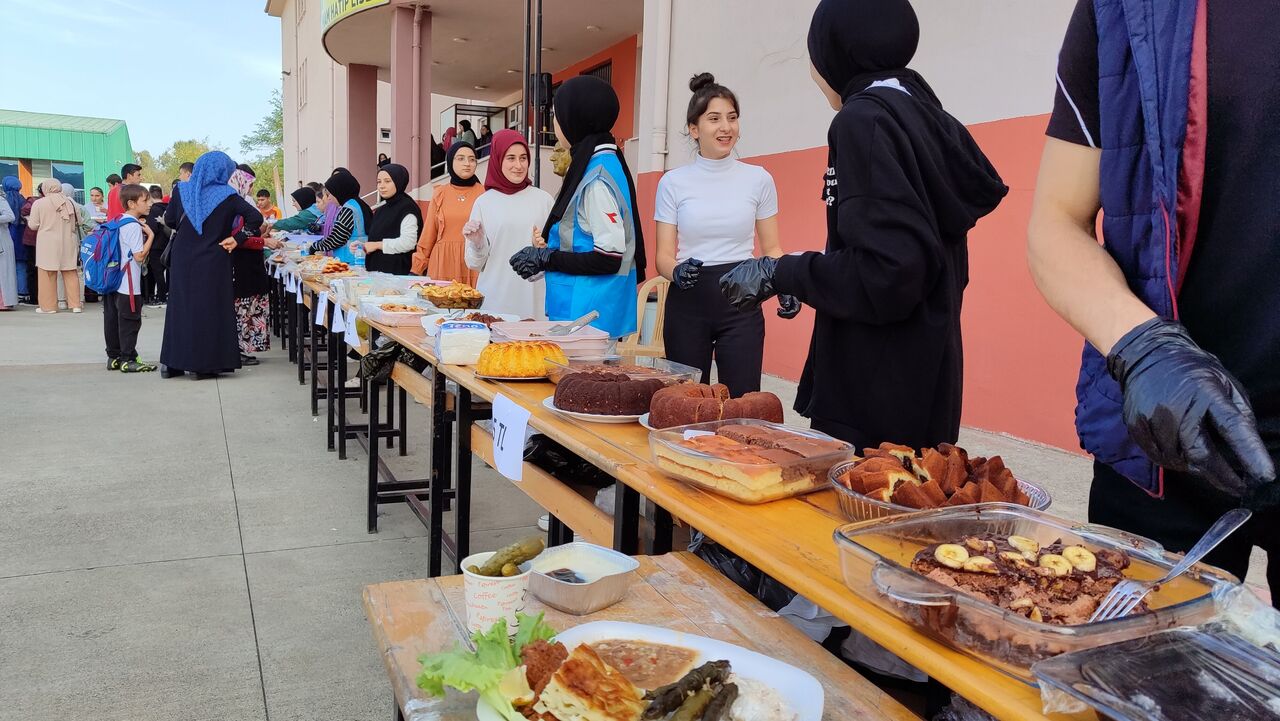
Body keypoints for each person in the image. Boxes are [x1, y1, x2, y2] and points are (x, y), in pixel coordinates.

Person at [1027, 0, 1280, 602]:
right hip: (1162, 436)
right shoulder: (1123, 7)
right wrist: (1143, 348)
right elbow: (1056, 222)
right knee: (1131, 656)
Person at [655, 73, 796, 396]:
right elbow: (663, 256)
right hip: (688, 301)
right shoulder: (673, 183)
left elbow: (772, 247)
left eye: (732, 118)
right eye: (714, 118)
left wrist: (787, 282)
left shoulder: (759, 179)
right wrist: (676, 271)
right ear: (694, 129)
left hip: (742, 300)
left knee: (743, 402)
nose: (726, 127)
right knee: (687, 402)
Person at [508, 76, 647, 338]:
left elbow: (609, 257)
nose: (554, 124)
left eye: (556, 115)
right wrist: (545, 255)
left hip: (587, 319)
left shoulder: (596, 179)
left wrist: (547, 258)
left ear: (575, 119)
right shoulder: (604, 163)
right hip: (588, 313)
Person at [161, 151, 263, 379]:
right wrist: (237, 239)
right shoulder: (228, 195)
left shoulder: (181, 190)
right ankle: (203, 366)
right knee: (208, 308)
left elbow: (169, 220)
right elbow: (255, 218)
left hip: (183, 257)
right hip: (213, 258)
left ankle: (172, 364)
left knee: (180, 307)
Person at [464, 130, 552, 318]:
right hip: (495, 301)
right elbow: (474, 263)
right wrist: (478, 243)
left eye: (523, 158)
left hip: (534, 300)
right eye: (511, 158)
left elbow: (557, 255)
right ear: (498, 159)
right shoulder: (484, 202)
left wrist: (543, 250)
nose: (518, 165)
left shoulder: (544, 200)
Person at [412, 142, 484, 283]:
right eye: (460, 158)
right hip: (443, 264)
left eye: (472, 159)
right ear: (450, 161)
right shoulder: (440, 193)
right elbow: (429, 233)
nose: (467, 163)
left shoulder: (484, 193)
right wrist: (417, 267)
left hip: (473, 262)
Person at [227, 165, 277, 365]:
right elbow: (238, 239)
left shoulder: (239, 204)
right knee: (244, 308)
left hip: (250, 264)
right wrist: (264, 241)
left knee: (250, 307)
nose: (250, 189)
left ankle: (244, 349)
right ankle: (240, 350)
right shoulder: (234, 208)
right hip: (242, 265)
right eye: (249, 184)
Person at [104, 184, 156, 372]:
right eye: (145, 200)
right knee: (130, 321)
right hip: (128, 283)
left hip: (112, 281)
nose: (149, 204)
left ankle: (114, 357)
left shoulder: (118, 220)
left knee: (112, 320)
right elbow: (139, 256)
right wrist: (151, 235)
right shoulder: (133, 226)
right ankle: (128, 359)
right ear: (132, 203)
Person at [28, 180, 88, 314]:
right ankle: (76, 305)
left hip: (47, 242)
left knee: (47, 273)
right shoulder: (70, 202)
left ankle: (48, 307)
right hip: (68, 240)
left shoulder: (39, 203)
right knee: (70, 272)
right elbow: (80, 221)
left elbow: (33, 225)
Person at [364, 163, 422, 275]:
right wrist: (363, 245)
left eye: (387, 181)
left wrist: (377, 245)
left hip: (397, 275)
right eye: (379, 182)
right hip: (377, 274)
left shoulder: (408, 208)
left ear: (398, 181)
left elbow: (408, 243)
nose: (381, 186)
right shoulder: (382, 209)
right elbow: (378, 237)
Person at [309, 169, 372, 263]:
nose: (329, 198)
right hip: (358, 258)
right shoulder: (358, 204)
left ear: (339, 191)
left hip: (351, 261)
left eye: (331, 194)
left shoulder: (348, 209)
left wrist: (315, 246)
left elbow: (337, 238)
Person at [3, 176, 28, 304]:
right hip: (22, 236)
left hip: (7, 235)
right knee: (21, 265)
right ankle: (23, 292)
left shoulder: (4, 200)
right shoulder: (24, 200)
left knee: (6, 267)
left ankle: (9, 294)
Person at [143, 186, 170, 306]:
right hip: (167, 244)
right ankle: (165, 294)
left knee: (157, 273)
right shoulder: (168, 207)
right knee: (167, 271)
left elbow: (152, 228)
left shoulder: (153, 210)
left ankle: (161, 297)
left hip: (155, 245)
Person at [0, 189, 14, 310]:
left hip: (2, 241)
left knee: (3, 272)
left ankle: (4, 302)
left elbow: (10, 216)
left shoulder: (1, 200)